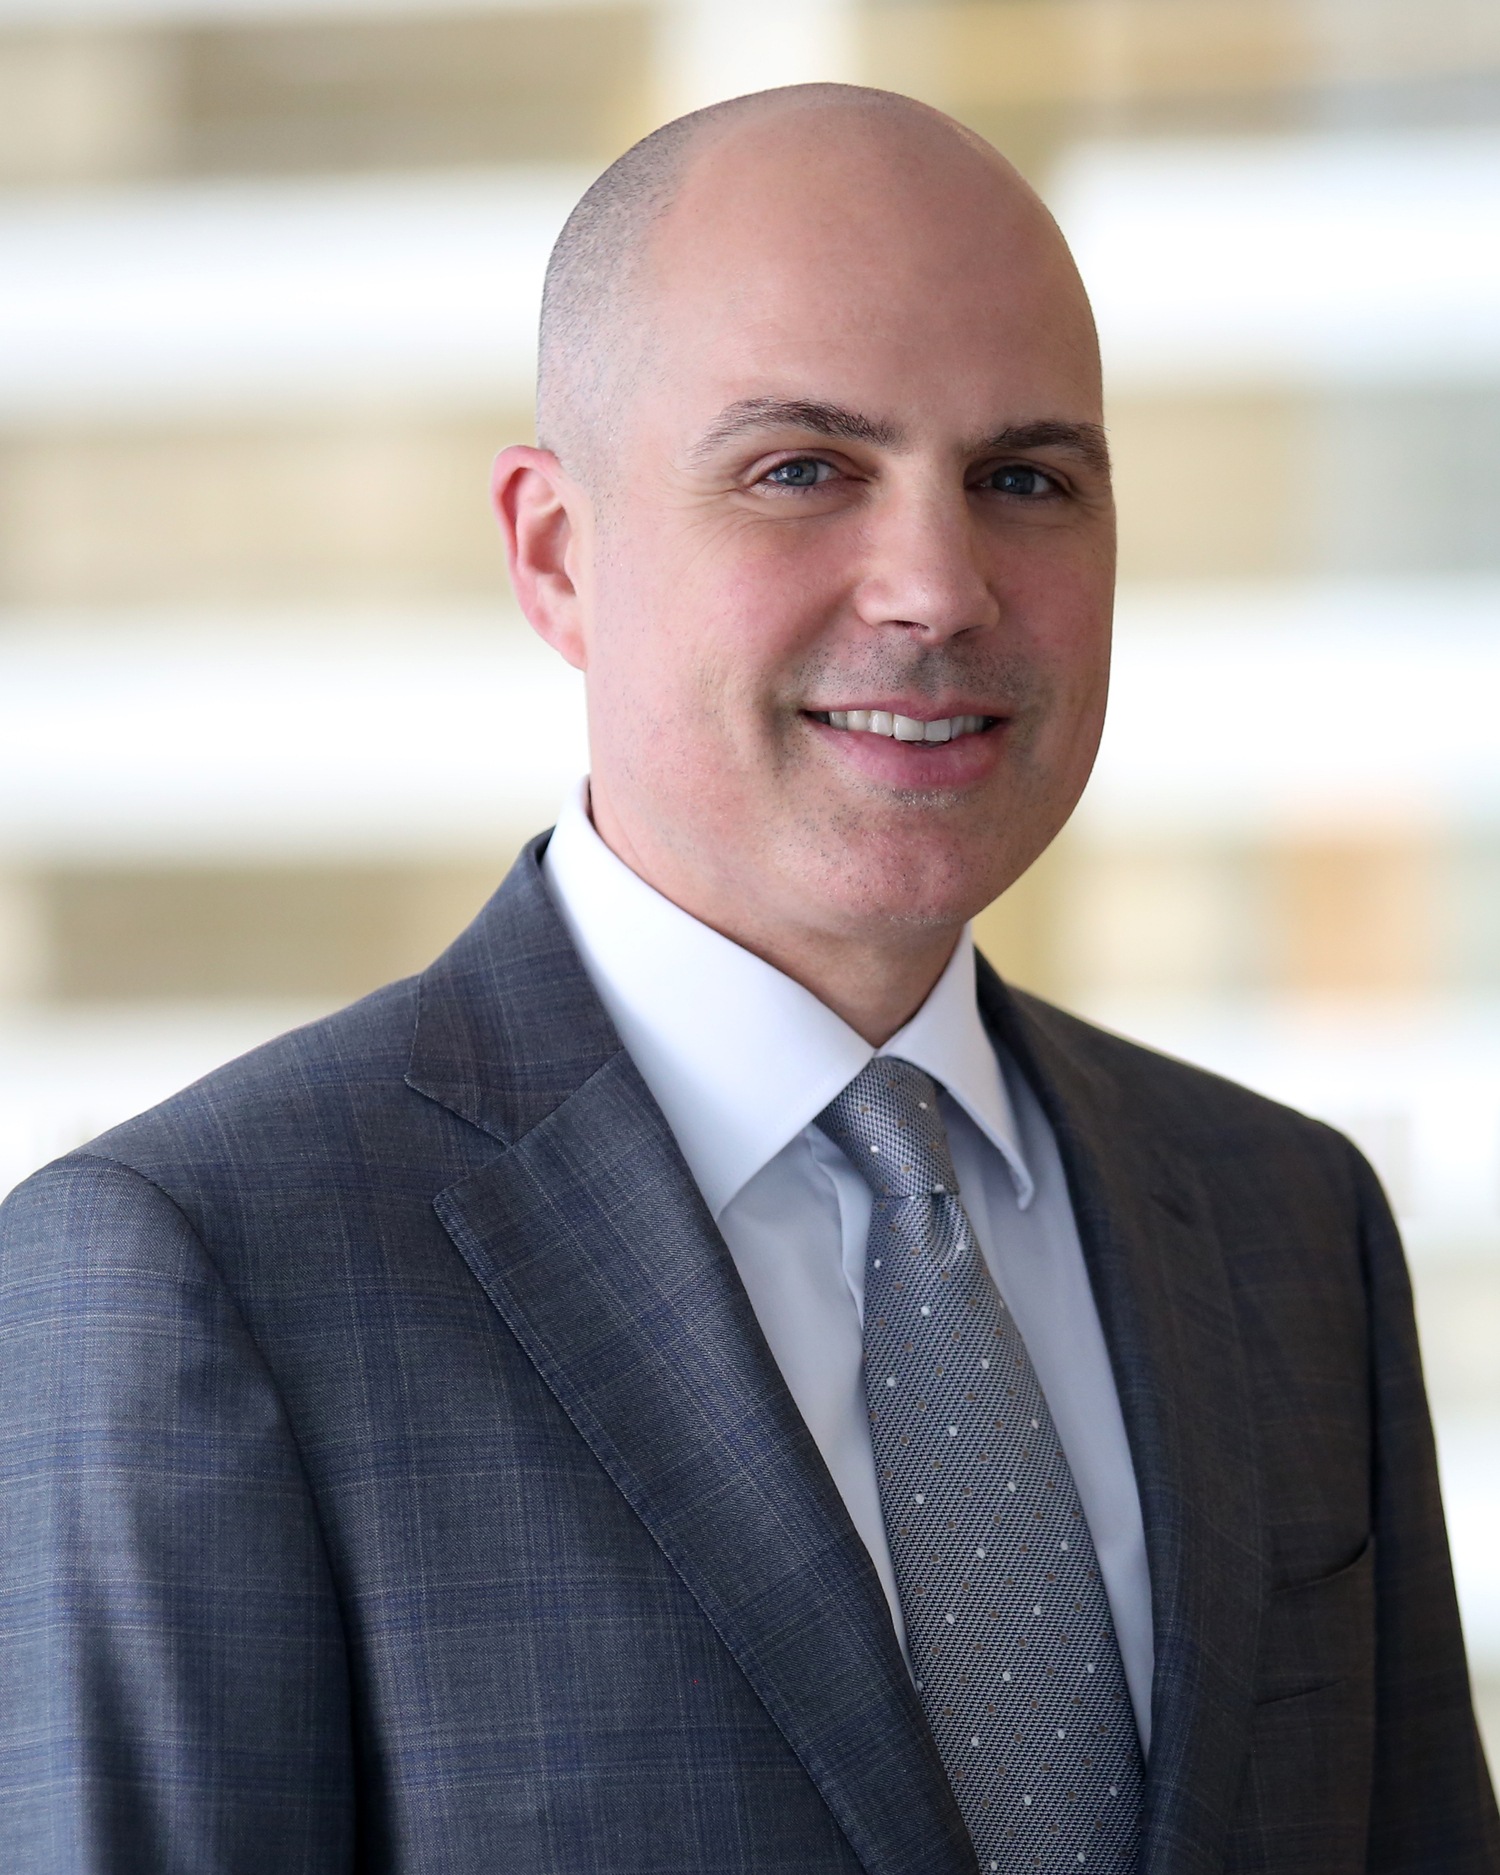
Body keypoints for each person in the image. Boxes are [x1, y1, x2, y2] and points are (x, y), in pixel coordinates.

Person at [1, 82, 1494, 1875]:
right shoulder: (200, 1271)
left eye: (1024, 479)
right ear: (557, 553)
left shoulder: (1289, 1224)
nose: (937, 588)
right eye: (803, 470)